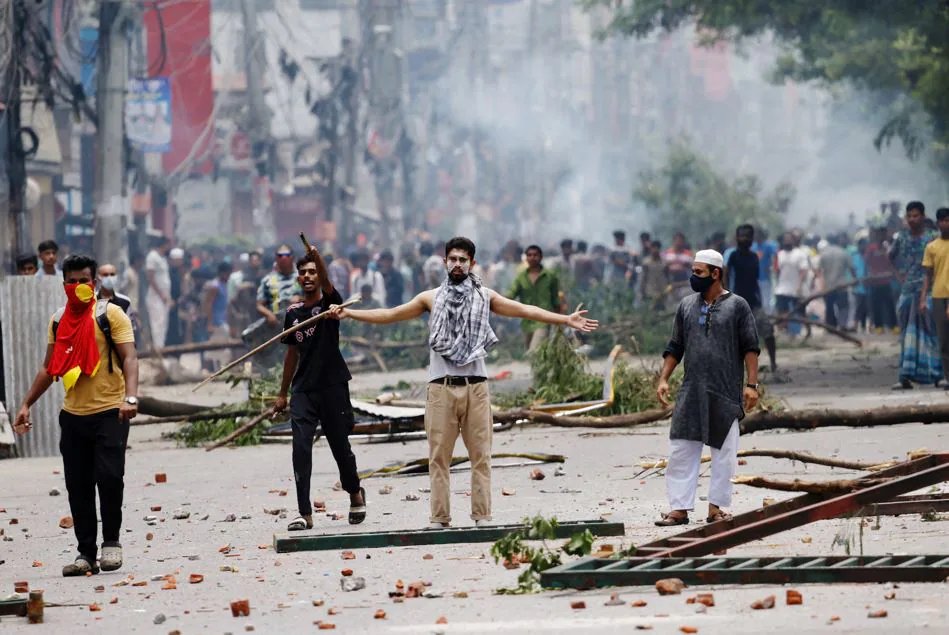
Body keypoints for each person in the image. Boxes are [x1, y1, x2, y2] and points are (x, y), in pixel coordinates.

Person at [330, 237, 598, 528]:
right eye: (453, 259)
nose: (457, 264)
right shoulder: (429, 298)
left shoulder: (486, 296)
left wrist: (565, 319)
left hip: (476, 387)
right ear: (445, 261)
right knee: (439, 458)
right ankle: (439, 518)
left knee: (481, 456)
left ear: (472, 264)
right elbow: (391, 314)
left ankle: (482, 517)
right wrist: (349, 313)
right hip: (440, 387)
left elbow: (524, 309)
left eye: (463, 259)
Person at [13, 254, 138, 576]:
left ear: (94, 283)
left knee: (110, 478)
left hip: (111, 411)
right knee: (78, 486)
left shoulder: (111, 315)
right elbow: (48, 367)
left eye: (84, 280)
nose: (78, 286)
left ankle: (111, 543)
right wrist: (27, 403)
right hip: (72, 415)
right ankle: (86, 553)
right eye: (72, 281)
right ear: (63, 284)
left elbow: (130, 359)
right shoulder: (58, 319)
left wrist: (131, 397)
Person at [655, 249, 760, 526]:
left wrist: (751, 385)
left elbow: (750, 347)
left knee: (724, 455)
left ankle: (716, 508)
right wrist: (664, 378)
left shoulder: (738, 306)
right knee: (681, 449)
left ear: (716, 273)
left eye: (698, 272)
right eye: (693, 271)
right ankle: (678, 509)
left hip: (724, 392)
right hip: (691, 391)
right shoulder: (686, 306)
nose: (693, 277)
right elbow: (675, 346)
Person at [273, 247, 366, 531]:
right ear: (298, 279)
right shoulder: (293, 314)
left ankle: (355, 492)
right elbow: (291, 355)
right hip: (304, 390)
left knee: (340, 446)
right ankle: (304, 513)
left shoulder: (330, 305)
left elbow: (328, 286)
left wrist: (319, 259)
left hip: (333, 386)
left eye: (312, 271)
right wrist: (282, 392)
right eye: (303, 273)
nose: (307, 276)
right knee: (300, 448)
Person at [890, 202, 942, 389]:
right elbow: (891, 257)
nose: (912, 219)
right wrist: (900, 277)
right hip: (908, 290)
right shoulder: (901, 237)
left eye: (916, 216)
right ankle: (905, 375)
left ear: (922, 216)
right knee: (907, 334)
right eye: (909, 216)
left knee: (932, 332)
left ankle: (938, 374)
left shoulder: (933, 237)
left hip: (930, 290)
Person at [725, 225, 777, 372]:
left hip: (753, 302)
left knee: (767, 330)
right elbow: (726, 275)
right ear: (737, 238)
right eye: (742, 236)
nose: (745, 239)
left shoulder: (754, 257)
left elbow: (755, 281)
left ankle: (773, 364)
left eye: (748, 236)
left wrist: (759, 298)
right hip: (735, 302)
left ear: (752, 238)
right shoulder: (733, 256)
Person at [508, 244, 562, 352]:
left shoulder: (550, 276)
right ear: (526, 257)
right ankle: (539, 369)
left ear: (541, 257)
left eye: (535, 255)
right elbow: (512, 293)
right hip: (527, 320)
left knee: (535, 350)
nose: (532, 257)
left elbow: (555, 300)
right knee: (531, 352)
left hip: (544, 319)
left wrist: (558, 320)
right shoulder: (521, 277)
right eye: (529, 255)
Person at [921, 208, 949, 389]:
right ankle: (948, 376)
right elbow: (927, 275)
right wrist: (923, 297)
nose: (946, 224)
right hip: (939, 295)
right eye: (943, 221)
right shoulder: (932, 247)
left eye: (948, 220)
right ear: (938, 223)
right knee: (944, 339)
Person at [774, 232, 809, 336]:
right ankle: (783, 332)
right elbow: (777, 271)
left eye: (789, 239)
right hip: (781, 288)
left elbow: (803, 270)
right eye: (785, 239)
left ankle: (803, 332)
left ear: (793, 241)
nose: (787, 241)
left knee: (798, 312)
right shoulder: (780, 254)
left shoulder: (799, 254)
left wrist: (799, 285)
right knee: (782, 311)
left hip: (795, 289)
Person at [818, 234, 855, 329]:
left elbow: (819, 271)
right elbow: (852, 268)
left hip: (828, 285)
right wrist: (855, 279)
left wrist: (821, 285)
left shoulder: (824, 254)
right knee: (843, 307)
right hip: (841, 285)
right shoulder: (843, 253)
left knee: (829, 307)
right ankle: (842, 325)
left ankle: (830, 326)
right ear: (838, 241)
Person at [865, 227, 898, 332]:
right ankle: (879, 326)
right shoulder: (871, 248)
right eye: (880, 234)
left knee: (889, 304)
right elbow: (867, 262)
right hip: (874, 281)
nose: (882, 237)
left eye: (883, 234)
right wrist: (870, 275)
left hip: (886, 281)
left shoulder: (887, 247)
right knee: (876, 305)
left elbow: (891, 262)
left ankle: (894, 326)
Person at [144, 236, 173, 350]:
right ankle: (157, 348)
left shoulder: (163, 259)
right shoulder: (152, 257)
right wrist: (161, 294)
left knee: (164, 324)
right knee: (157, 323)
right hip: (156, 296)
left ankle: (161, 347)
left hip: (165, 297)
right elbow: (150, 278)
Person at [640, 240, 669, 310]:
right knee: (650, 310)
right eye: (653, 248)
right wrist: (642, 292)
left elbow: (668, 277)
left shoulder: (664, 263)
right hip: (650, 291)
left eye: (657, 248)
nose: (655, 250)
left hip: (662, 291)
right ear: (651, 249)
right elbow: (643, 278)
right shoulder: (646, 262)